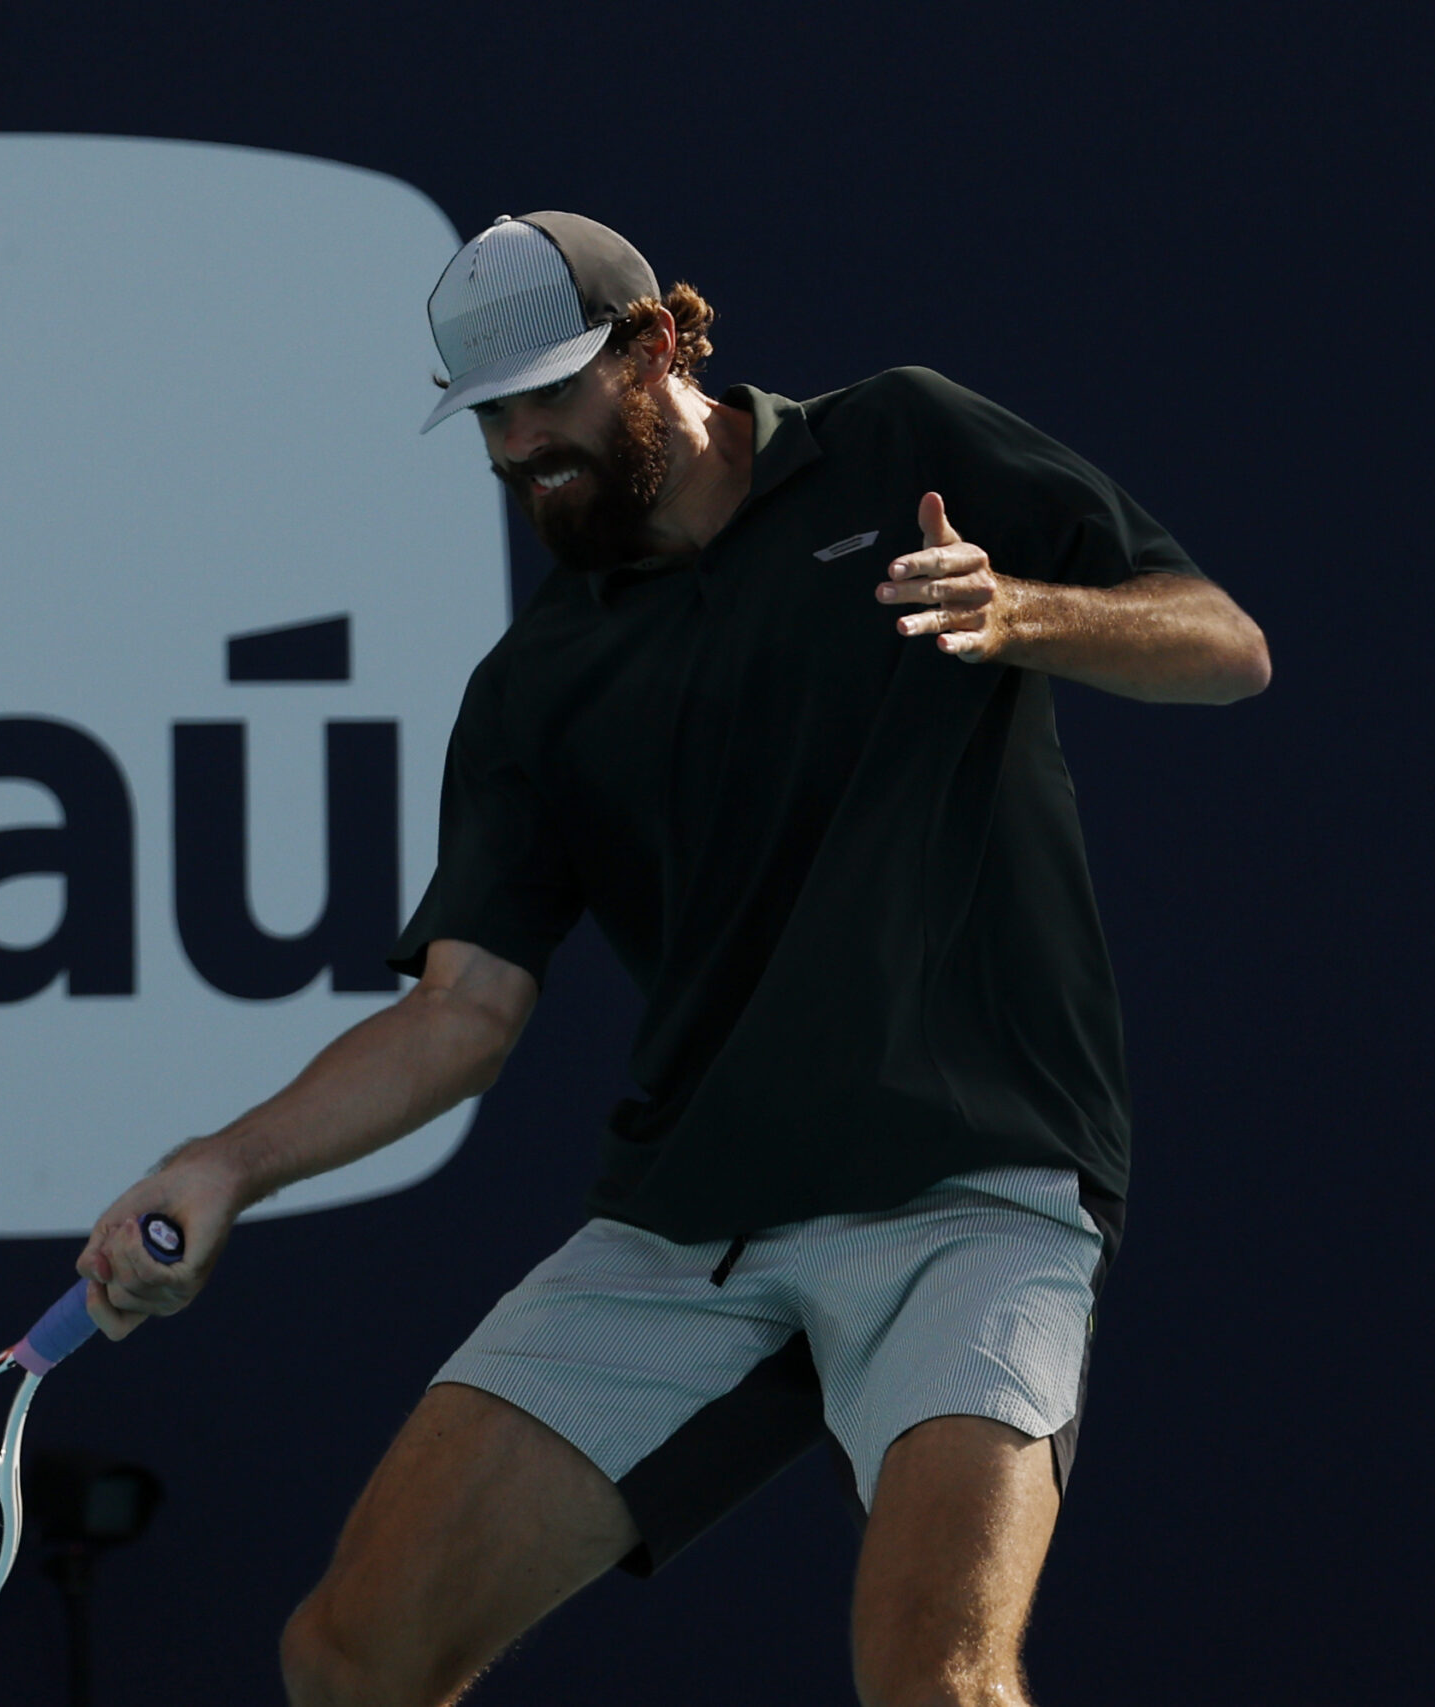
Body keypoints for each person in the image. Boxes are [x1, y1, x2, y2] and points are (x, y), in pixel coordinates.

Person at [74, 211, 1270, 1706]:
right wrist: (225, 1164)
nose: (523, 447)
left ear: (662, 345)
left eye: (552, 395)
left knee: (940, 1684)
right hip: (690, 1224)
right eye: (491, 416)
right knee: (349, 1658)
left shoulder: (902, 436)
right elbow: (461, 1013)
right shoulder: (536, 687)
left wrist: (1022, 612)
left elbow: (1222, 641)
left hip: (976, 1189)